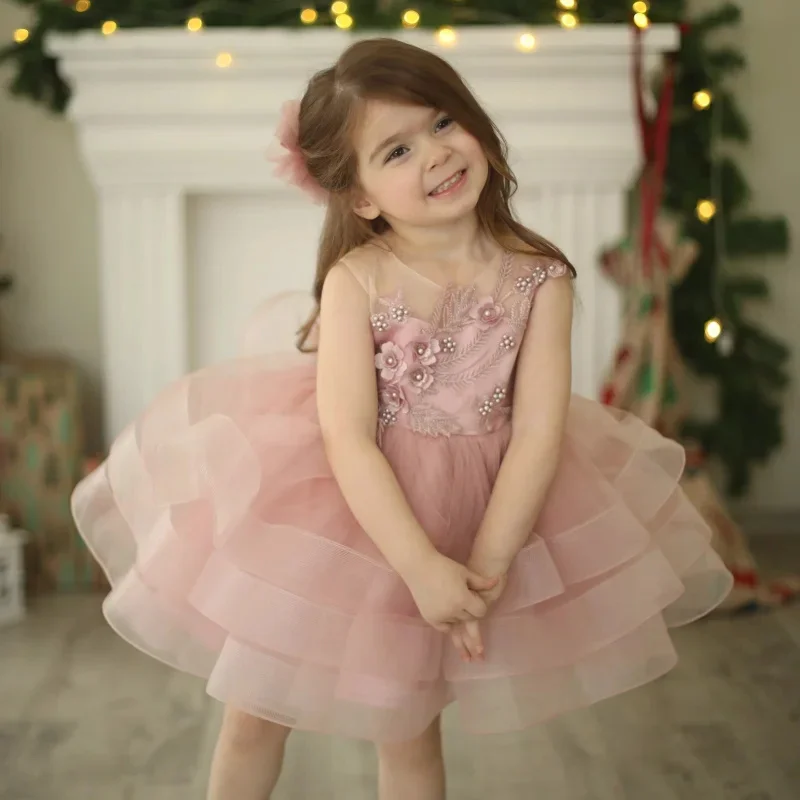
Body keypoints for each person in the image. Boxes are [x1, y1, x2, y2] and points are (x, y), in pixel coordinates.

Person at [71, 38, 732, 800]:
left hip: (474, 513)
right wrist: (418, 567)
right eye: (396, 150)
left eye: (444, 122)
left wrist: (481, 571)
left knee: (407, 730)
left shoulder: (539, 278)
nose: (436, 156)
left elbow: (539, 433)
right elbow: (347, 436)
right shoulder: (360, 278)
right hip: (345, 511)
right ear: (360, 197)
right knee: (254, 713)